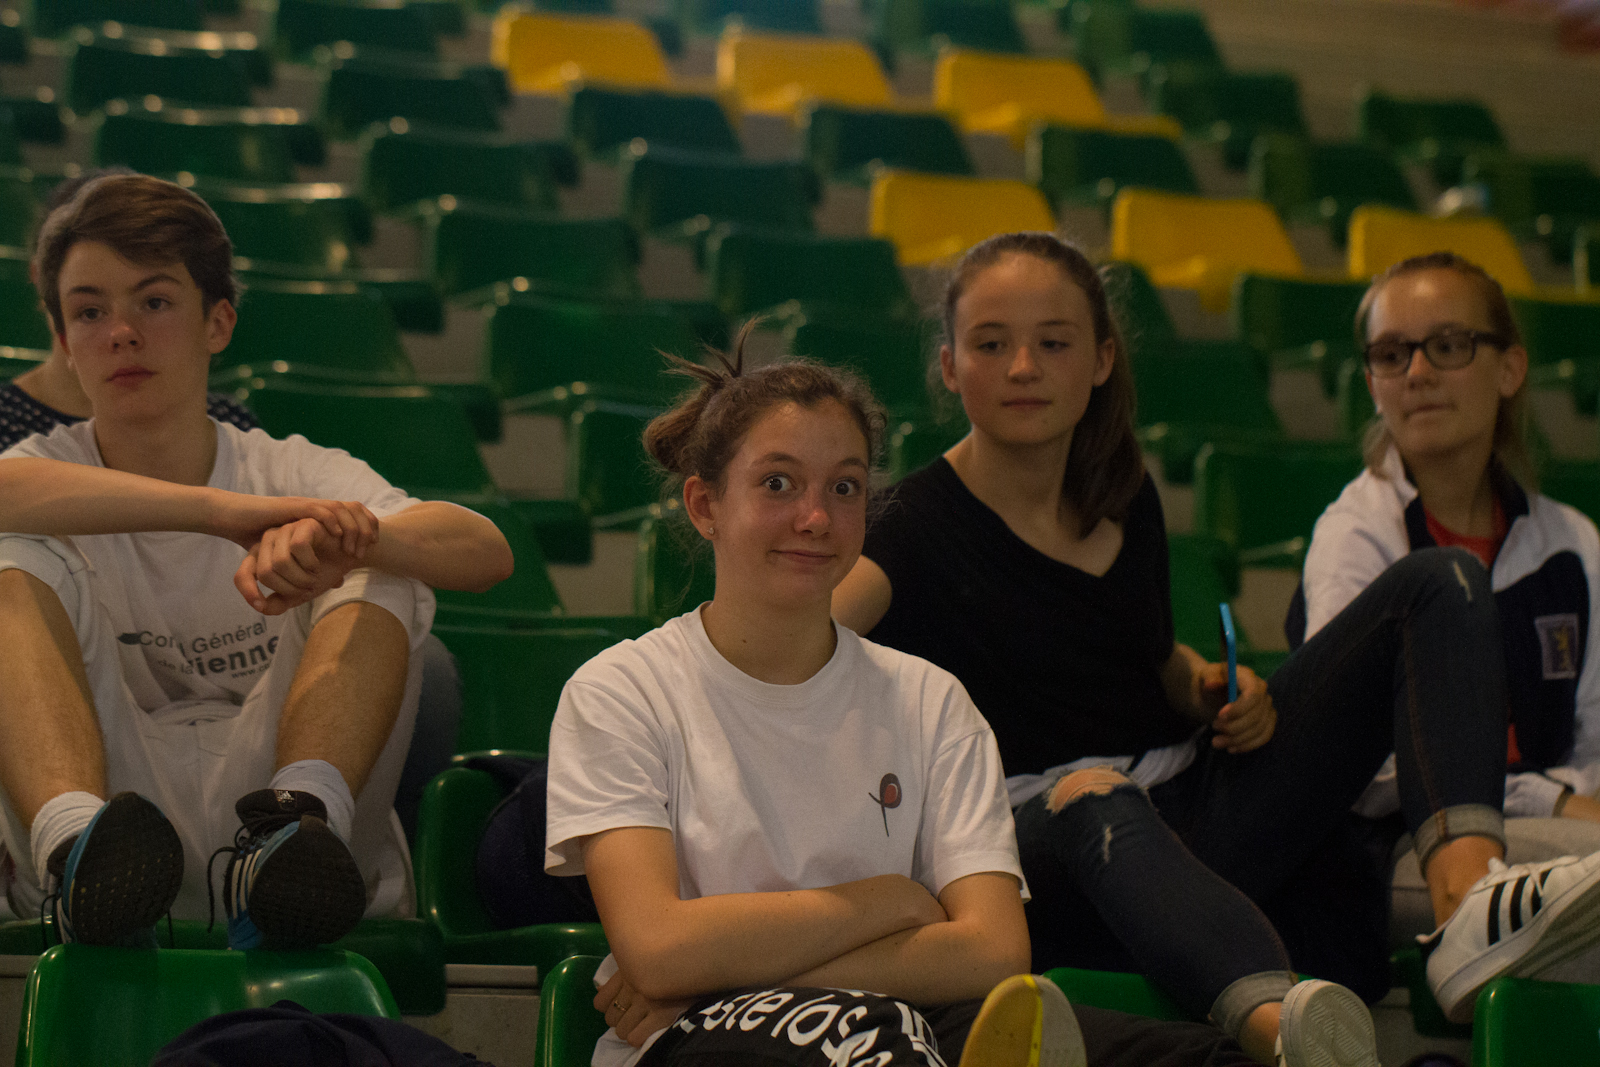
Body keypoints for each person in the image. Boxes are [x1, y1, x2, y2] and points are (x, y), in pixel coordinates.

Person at [830, 232, 1600, 1033]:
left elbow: (1148, 656)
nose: (1023, 367)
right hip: (1048, 844)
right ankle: (1287, 1033)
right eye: (992, 344)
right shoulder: (911, 525)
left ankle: (1467, 905)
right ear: (951, 366)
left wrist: (1210, 687)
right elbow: (802, 643)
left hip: (1190, 804)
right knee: (1094, 795)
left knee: (1442, 581)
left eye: (1052, 342)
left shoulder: (1123, 492)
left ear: (1100, 359)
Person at [540, 335, 1363, 1067]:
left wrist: (731, 965)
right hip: (706, 1036)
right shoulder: (623, 692)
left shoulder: (929, 699)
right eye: (778, 483)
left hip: (901, 1017)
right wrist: (894, 901)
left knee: (1200, 1055)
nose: (815, 516)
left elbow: (992, 952)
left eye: (845, 487)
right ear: (704, 505)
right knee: (884, 1043)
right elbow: (657, 947)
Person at [0, 173, 513, 949]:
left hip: (285, 836)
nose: (122, 332)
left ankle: (298, 821)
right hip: (111, 821)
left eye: (154, 301)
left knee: (379, 557)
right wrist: (227, 513)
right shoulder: (41, 467)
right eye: (90, 311)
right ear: (64, 341)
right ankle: (72, 850)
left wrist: (342, 537)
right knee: (11, 548)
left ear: (218, 322)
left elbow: (485, 551)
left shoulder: (289, 464)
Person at [1294, 251, 1600, 1013]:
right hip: (1412, 846)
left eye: (1449, 344)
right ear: (1372, 380)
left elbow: (1594, 740)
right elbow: (1360, 763)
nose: (1419, 372)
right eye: (1392, 353)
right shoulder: (1356, 535)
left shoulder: (1572, 543)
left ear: (1510, 368)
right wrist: (1548, 799)